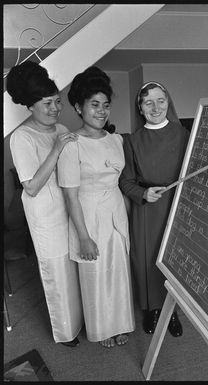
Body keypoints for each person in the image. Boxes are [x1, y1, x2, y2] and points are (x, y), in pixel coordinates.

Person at [57, 66, 135, 348]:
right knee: (96, 273)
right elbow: (70, 196)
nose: (101, 111)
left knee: (118, 270)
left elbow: (120, 181)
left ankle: (120, 323)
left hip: (115, 209)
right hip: (87, 214)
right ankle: (102, 328)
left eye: (105, 106)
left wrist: (126, 215)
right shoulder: (70, 144)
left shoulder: (116, 139)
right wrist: (83, 236)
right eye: (94, 105)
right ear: (78, 107)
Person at [7, 61, 83, 347]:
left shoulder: (60, 127)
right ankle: (66, 332)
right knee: (58, 274)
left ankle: (82, 318)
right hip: (45, 215)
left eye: (58, 101)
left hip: (68, 206)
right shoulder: (21, 137)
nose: (55, 109)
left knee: (74, 266)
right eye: (47, 103)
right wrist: (58, 147)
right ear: (30, 106)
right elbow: (33, 186)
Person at [119, 81, 190, 336]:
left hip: (177, 208)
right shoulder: (132, 140)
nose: (155, 106)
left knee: (173, 261)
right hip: (147, 210)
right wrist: (143, 193)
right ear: (140, 108)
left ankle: (172, 312)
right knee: (147, 261)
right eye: (148, 102)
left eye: (161, 100)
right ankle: (152, 310)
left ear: (168, 102)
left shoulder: (184, 135)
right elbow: (126, 181)